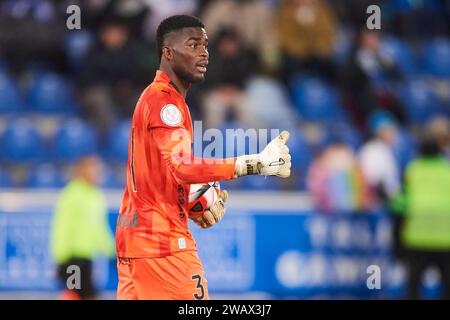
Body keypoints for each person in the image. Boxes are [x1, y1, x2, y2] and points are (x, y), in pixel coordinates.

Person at [115, 15, 291, 300]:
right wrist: (252, 163)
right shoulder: (164, 101)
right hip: (164, 246)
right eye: (194, 45)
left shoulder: (159, 97)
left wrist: (193, 196)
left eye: (205, 46)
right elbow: (182, 166)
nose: (204, 53)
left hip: (136, 240)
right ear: (168, 53)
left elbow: (165, 173)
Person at [50, 154, 115, 300]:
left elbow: (99, 229)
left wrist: (111, 252)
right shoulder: (72, 193)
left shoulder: (95, 195)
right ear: (82, 170)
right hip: (73, 257)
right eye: (92, 168)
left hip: (87, 257)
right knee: (75, 294)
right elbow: (62, 226)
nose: (97, 172)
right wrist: (60, 257)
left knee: (85, 294)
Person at [400, 136, 450, 299]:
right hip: (445, 237)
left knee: (413, 285)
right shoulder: (447, 170)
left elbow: (402, 202)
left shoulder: (412, 170)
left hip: (418, 236)